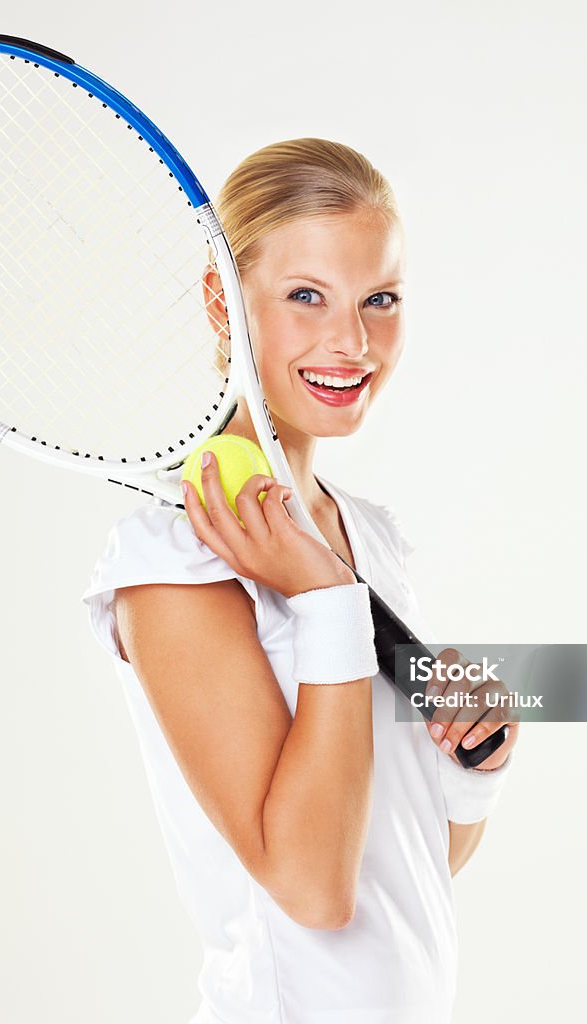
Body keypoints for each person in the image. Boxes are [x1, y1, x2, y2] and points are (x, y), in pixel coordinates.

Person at [82, 138, 519, 1024]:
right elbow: (315, 890)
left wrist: (479, 768)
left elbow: (408, 865)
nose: (351, 341)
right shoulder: (176, 568)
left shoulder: (369, 537)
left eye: (380, 300)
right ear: (223, 304)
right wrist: (325, 605)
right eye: (305, 297)